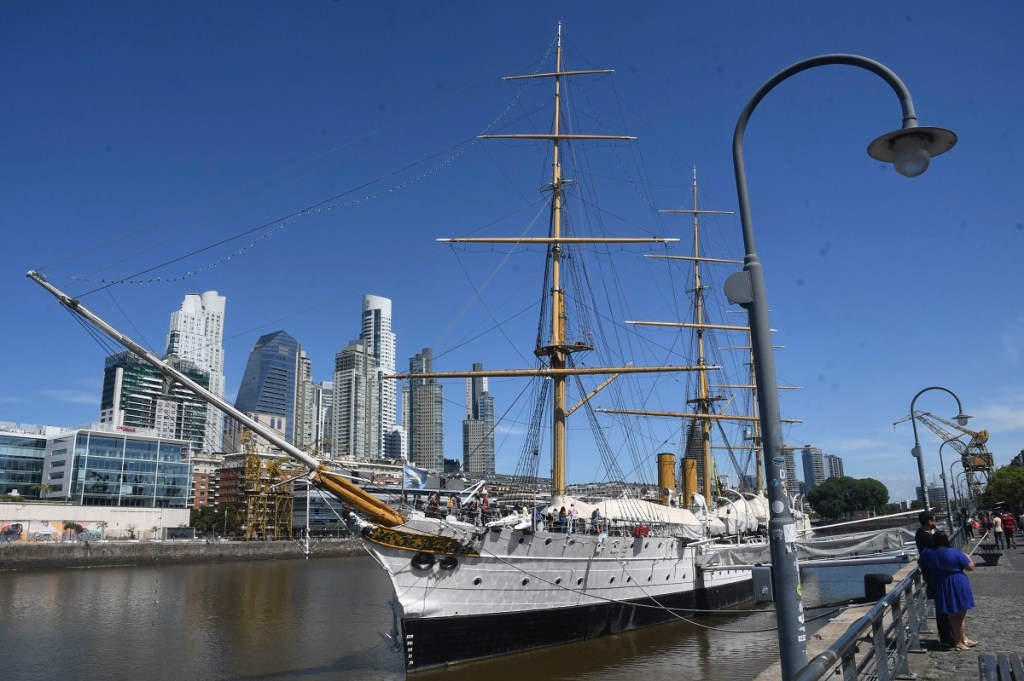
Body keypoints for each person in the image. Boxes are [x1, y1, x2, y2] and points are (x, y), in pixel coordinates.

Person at [918, 531, 977, 651]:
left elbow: (921, 563)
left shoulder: (926, 553)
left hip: (940, 584)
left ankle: (962, 639)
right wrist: (967, 557)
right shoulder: (954, 553)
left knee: (951, 614)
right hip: (957, 582)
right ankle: (959, 642)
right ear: (946, 541)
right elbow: (970, 567)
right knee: (960, 615)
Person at [915, 511, 955, 648]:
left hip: (932, 573)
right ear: (929, 522)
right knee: (943, 605)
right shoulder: (926, 537)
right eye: (934, 520)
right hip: (935, 575)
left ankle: (948, 635)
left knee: (942, 605)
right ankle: (946, 636)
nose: (935, 522)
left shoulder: (921, 533)